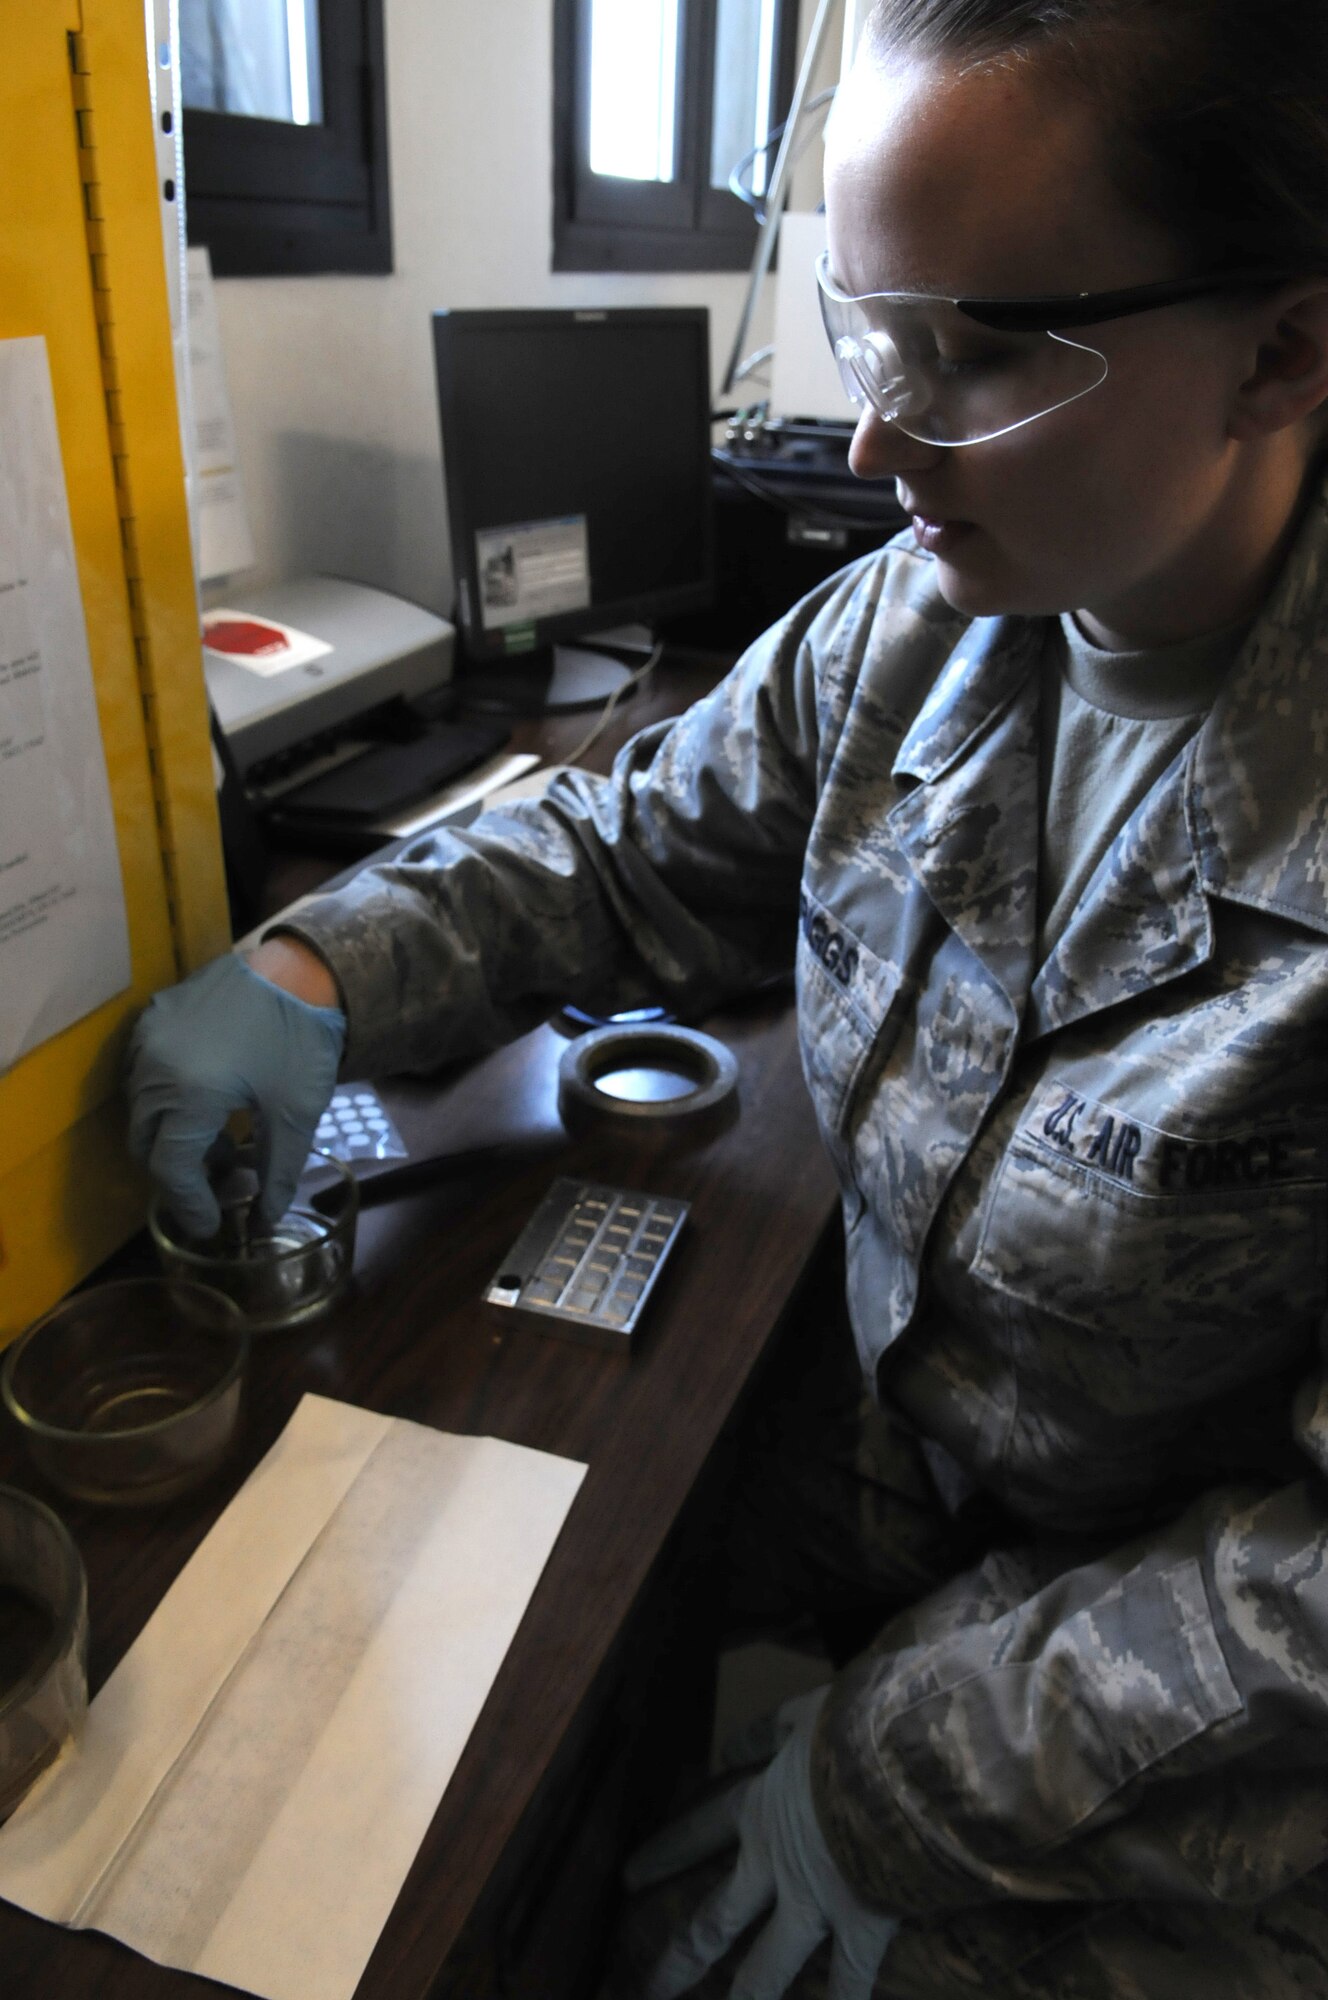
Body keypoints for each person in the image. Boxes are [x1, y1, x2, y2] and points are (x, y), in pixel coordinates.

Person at [128, 0, 1328, 1992]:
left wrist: (889, 1773)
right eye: (875, 334)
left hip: (1188, 1708)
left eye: (984, 347)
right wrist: (321, 960)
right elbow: (630, 848)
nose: (874, 444)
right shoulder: (926, 617)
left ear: (1284, 345)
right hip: (893, 1465)